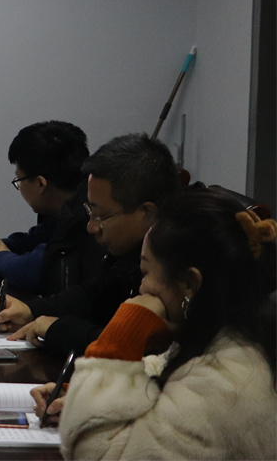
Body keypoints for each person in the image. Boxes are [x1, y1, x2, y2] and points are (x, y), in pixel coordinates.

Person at [31, 189, 277, 459]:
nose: (141, 286)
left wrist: (122, 334)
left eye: (146, 272)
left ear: (189, 283)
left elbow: (96, 454)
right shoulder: (225, 338)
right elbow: (160, 372)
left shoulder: (226, 385)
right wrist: (80, 397)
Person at [0, 133, 180, 356]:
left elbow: (134, 348)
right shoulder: (128, 249)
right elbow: (95, 295)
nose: (91, 227)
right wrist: (30, 310)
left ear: (147, 213)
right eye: (90, 211)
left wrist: (57, 329)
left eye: (101, 216)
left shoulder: (177, 266)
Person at [0, 121, 103, 295]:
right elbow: (34, 241)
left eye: (19, 180)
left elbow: (30, 271)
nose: (19, 187)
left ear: (40, 184)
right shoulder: (69, 201)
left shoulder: (84, 217)